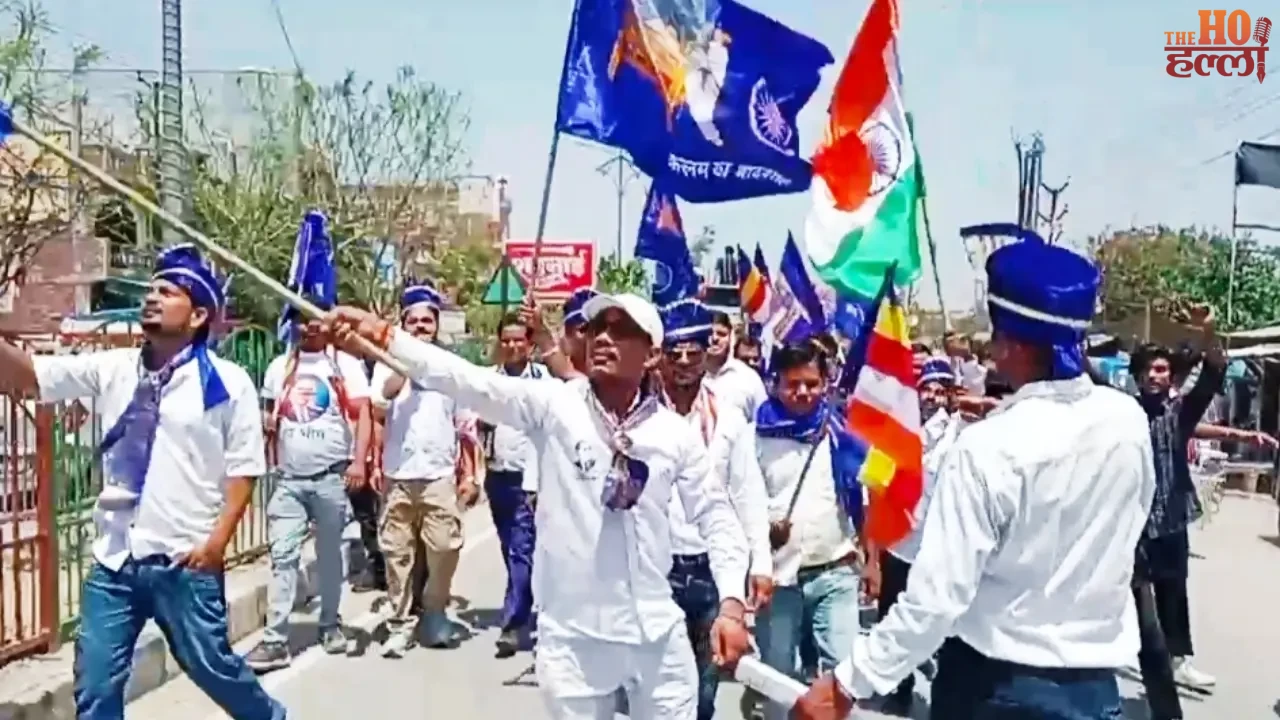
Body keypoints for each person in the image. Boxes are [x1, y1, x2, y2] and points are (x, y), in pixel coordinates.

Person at [326, 292, 753, 719]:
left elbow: (716, 514)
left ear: (652, 355)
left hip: (656, 634)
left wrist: (732, 602)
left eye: (621, 330)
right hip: (573, 639)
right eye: (596, 328)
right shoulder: (555, 405)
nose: (603, 338)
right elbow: (465, 379)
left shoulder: (673, 435)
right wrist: (383, 335)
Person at [794, 238, 1156, 720]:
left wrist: (845, 684)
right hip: (1094, 692)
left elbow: (936, 600)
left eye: (998, 336)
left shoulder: (989, 446)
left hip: (996, 690)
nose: (992, 351)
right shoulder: (1127, 421)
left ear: (1017, 344)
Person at [0, 245, 284, 719]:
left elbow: (244, 470)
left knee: (215, 669)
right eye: (151, 290)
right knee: (95, 686)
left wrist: (217, 545)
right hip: (114, 562)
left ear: (197, 315)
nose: (151, 298)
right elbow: (31, 377)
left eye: (167, 292)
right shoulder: (113, 368)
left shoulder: (228, 384)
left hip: (184, 561)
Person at [657, 297, 773, 720]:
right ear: (660, 358)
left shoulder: (728, 420)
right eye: (675, 354)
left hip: (712, 571)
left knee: (703, 692)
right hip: (656, 571)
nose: (685, 362)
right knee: (660, 690)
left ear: (707, 353)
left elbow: (747, 493)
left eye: (693, 352)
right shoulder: (641, 418)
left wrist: (759, 561)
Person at [246, 298, 372, 671]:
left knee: (330, 556)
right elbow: (267, 413)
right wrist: (265, 425)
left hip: (331, 478)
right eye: (303, 319)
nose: (310, 327)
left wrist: (359, 461)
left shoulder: (344, 364)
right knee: (282, 556)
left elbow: (362, 414)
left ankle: (330, 625)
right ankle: (275, 640)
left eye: (317, 319)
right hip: (289, 481)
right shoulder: (279, 367)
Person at [753, 341, 864, 720]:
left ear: (826, 383)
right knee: (779, 678)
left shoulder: (841, 429)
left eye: (812, 384)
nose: (802, 392)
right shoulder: (755, 435)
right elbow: (738, 501)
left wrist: (874, 559)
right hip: (779, 579)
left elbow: (868, 493)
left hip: (836, 569)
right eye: (793, 384)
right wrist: (765, 531)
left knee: (845, 675)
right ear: (776, 383)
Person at [370, 282, 480, 657]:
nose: (420, 327)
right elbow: (379, 405)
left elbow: (466, 429)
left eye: (426, 321)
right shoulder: (386, 360)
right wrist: (403, 365)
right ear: (403, 325)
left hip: (438, 475)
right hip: (398, 475)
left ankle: (433, 612)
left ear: (436, 325)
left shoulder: (450, 368)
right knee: (397, 552)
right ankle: (399, 624)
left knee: (444, 547)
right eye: (413, 322)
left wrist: (470, 474)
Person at [1127, 329, 1223, 711]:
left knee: (1173, 597)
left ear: (1170, 376)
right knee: (1141, 615)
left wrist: (1209, 334)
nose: (1154, 376)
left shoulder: (1180, 412)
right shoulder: (1123, 412)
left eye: (1162, 369)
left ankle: (1178, 664)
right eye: (1148, 369)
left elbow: (1213, 376)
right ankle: (1156, 681)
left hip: (1170, 522)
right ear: (1137, 375)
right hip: (1132, 527)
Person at [871, 357, 961, 717]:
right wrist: (872, 557)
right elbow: (876, 489)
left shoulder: (961, 432)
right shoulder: (897, 430)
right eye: (928, 389)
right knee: (893, 620)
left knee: (941, 624)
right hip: (899, 545)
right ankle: (899, 687)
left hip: (941, 548)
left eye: (942, 391)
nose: (933, 397)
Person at [481, 311, 549, 657]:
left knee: (522, 548)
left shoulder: (543, 379)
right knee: (511, 549)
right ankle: (524, 600)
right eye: (505, 340)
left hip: (531, 479)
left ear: (530, 344)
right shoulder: (488, 380)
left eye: (518, 340)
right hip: (497, 475)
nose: (511, 346)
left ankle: (513, 623)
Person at [704, 311, 768, 422]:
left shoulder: (749, 379)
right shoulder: (689, 375)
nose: (714, 338)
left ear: (731, 338)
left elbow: (763, 421)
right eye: (709, 333)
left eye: (721, 334)